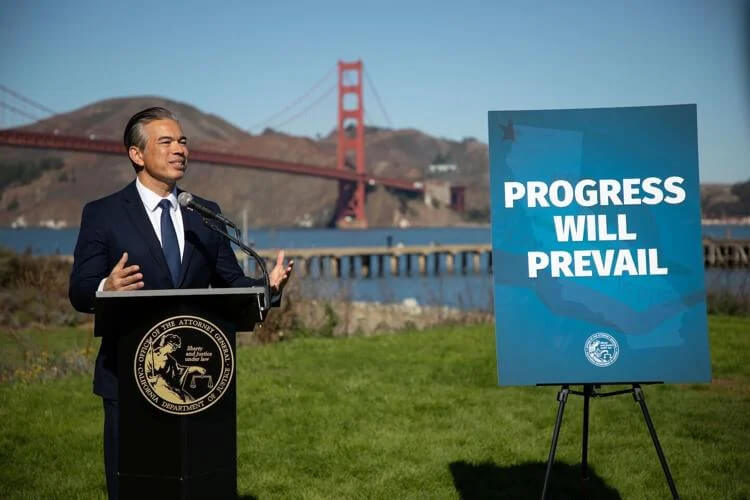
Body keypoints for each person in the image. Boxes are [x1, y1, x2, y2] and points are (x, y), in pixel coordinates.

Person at [68, 107, 293, 499]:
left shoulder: (204, 214)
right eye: (166, 142)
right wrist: (108, 286)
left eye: (183, 141)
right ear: (136, 155)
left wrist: (267, 287)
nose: (179, 150)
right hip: (128, 377)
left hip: (198, 381)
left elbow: (232, 284)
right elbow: (80, 289)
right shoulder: (103, 214)